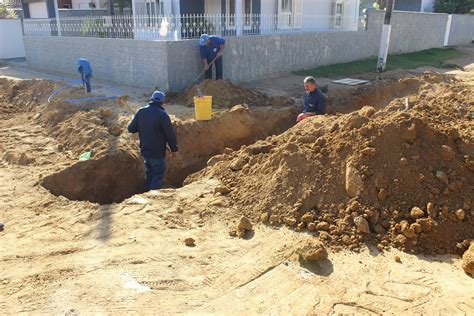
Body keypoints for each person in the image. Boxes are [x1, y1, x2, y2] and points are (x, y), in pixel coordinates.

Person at [127, 91, 178, 191]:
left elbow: (131, 129)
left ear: (151, 99)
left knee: (150, 173)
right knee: (158, 174)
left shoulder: (141, 111)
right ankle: (153, 195)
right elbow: (170, 134)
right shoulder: (163, 115)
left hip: (145, 150)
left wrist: (141, 123)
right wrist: (174, 148)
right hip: (157, 152)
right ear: (162, 102)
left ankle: (147, 192)